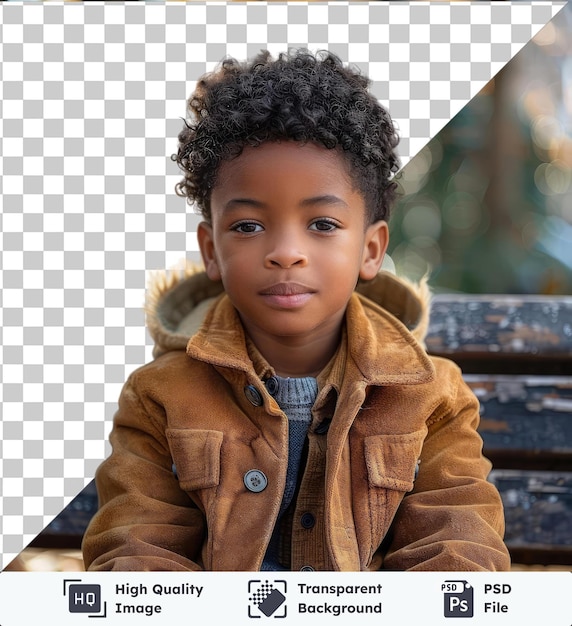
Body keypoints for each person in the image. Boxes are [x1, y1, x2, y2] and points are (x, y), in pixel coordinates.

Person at [82, 49, 510, 572]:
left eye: (323, 224)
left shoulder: (430, 396)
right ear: (211, 249)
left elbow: (459, 548)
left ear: (371, 249)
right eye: (247, 226)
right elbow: (137, 554)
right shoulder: (159, 397)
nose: (285, 251)